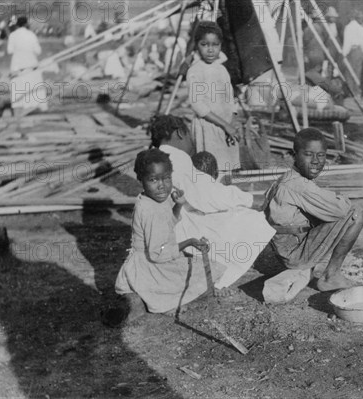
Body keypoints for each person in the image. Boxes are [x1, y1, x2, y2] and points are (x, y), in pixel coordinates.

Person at [149, 115, 276, 295]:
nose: (192, 143)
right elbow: (206, 195)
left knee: (233, 211)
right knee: (253, 218)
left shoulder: (157, 158)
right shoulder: (175, 159)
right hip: (181, 230)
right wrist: (250, 200)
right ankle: (218, 276)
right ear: (179, 133)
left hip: (169, 227)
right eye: (189, 137)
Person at [263, 128, 363, 292]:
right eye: (308, 154)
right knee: (355, 213)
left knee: (325, 211)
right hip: (293, 253)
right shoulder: (298, 185)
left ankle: (320, 265)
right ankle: (330, 277)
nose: (316, 161)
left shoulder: (290, 177)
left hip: (287, 245)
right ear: (294, 155)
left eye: (321, 155)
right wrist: (341, 199)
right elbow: (340, 209)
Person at [114, 148, 210, 321]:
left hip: (154, 258)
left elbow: (167, 224)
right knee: (198, 278)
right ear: (141, 180)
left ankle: (144, 297)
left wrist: (178, 205)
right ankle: (157, 300)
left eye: (166, 178)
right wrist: (187, 242)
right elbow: (158, 253)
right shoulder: (150, 211)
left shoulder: (153, 199)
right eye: (153, 179)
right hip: (151, 263)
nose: (162, 185)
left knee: (196, 271)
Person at [185, 21, 240, 172]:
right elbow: (198, 105)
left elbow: (230, 98)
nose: (210, 50)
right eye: (205, 44)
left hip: (227, 125)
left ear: (221, 45)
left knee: (228, 169)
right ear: (197, 45)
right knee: (211, 171)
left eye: (215, 45)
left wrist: (232, 123)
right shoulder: (196, 71)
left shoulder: (222, 69)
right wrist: (225, 125)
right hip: (208, 126)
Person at [7, 16, 47, 116]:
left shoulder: (13, 35)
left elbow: (10, 51)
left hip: (17, 65)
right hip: (30, 64)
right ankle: (32, 106)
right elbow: (38, 51)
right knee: (33, 85)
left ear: (17, 25)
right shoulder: (31, 34)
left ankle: (19, 107)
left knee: (18, 86)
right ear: (26, 24)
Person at [342, 10, 363, 95]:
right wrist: (362, 52)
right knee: (357, 72)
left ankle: (350, 91)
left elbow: (347, 42)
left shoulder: (348, 27)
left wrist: (344, 54)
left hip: (352, 51)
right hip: (359, 51)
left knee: (349, 72)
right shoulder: (360, 28)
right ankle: (356, 91)